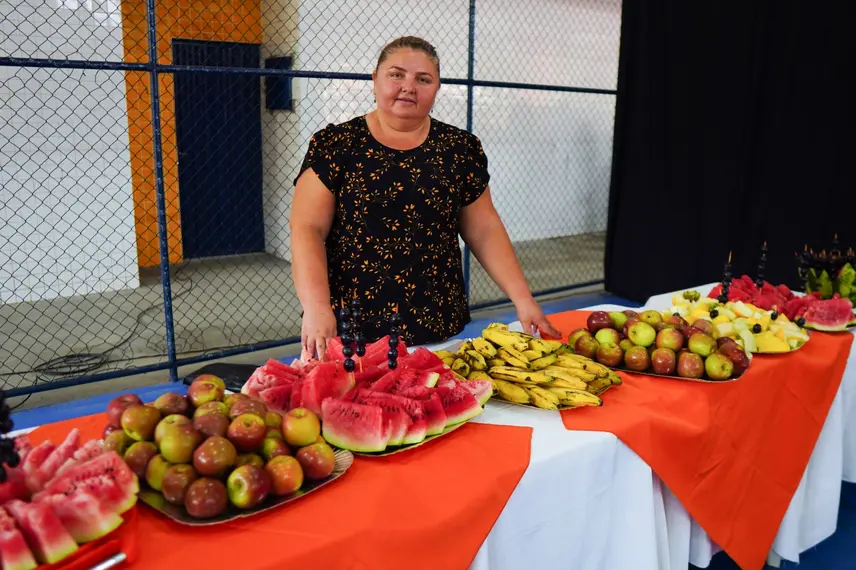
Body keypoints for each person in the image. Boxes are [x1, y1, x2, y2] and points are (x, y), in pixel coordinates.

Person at [290, 36, 561, 361]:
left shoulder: (460, 148)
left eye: (423, 79)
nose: (408, 86)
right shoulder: (336, 144)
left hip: (438, 324)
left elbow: (484, 229)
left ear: (437, 88)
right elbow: (306, 228)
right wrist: (317, 308)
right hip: (348, 328)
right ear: (374, 79)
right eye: (396, 74)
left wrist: (523, 299)